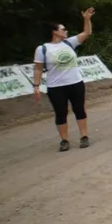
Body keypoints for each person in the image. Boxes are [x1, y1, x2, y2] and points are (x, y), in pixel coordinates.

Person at [33, 8, 95, 152]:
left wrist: (87, 19)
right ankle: (64, 140)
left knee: (79, 109)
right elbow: (38, 69)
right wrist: (36, 86)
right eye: (63, 29)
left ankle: (84, 136)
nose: (66, 31)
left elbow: (87, 33)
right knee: (61, 113)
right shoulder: (42, 49)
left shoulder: (69, 43)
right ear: (55, 32)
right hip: (56, 86)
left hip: (75, 83)